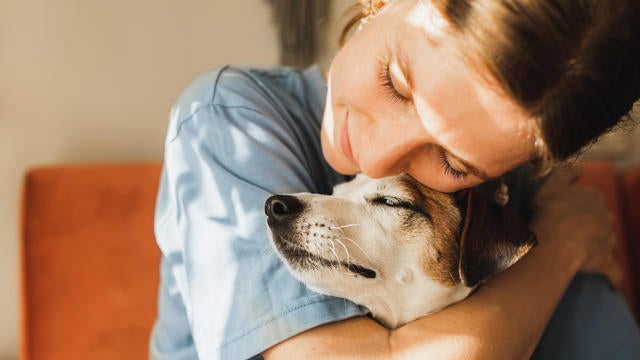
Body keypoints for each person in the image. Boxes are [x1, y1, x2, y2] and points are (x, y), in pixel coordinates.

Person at [149, 0, 640, 358]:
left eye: (452, 162)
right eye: (397, 84)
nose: (377, 158)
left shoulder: (502, 197)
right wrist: (558, 249)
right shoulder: (229, 119)